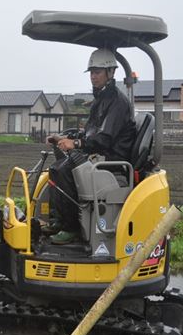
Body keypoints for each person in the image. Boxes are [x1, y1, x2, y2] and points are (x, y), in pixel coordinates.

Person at [45, 48, 136, 245]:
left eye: (98, 72)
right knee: (55, 169)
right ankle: (58, 221)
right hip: (100, 155)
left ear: (110, 73)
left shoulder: (118, 103)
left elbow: (104, 139)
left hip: (112, 161)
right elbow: (91, 133)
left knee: (62, 170)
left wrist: (76, 143)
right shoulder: (101, 100)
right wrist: (63, 138)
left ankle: (71, 229)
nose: (93, 77)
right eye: (92, 72)